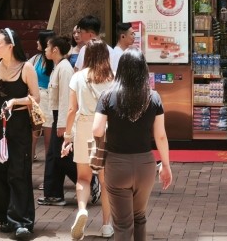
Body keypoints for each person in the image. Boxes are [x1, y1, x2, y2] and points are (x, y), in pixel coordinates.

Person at [93, 48, 172, 240]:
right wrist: (166, 166)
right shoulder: (153, 97)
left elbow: (96, 130)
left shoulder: (107, 96)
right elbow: (161, 136)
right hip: (145, 165)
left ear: (121, 69)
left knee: (122, 224)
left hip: (117, 165)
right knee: (139, 217)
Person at [0, 27, 40, 239]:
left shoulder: (26, 68)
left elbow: (36, 97)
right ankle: (4, 216)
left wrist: (15, 101)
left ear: (10, 46)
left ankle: (21, 221)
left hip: (19, 125)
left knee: (18, 171)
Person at [62, 40, 114, 239]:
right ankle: (107, 225)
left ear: (87, 55)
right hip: (106, 128)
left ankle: (82, 209)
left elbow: (71, 109)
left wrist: (67, 135)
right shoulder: (113, 78)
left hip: (84, 126)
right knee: (105, 180)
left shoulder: (77, 77)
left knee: (83, 177)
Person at [38, 34, 77, 206]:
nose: (45, 49)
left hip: (61, 117)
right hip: (57, 116)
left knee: (60, 156)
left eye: (47, 46)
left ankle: (90, 180)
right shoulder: (58, 67)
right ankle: (53, 194)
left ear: (55, 49)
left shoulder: (64, 68)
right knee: (54, 156)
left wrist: (63, 125)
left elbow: (66, 99)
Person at [30, 31, 54, 159]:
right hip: (36, 99)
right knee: (34, 132)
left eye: (39, 40)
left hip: (48, 99)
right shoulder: (36, 58)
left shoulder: (55, 61)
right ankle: (30, 156)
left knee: (48, 137)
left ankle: (49, 163)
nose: (37, 42)